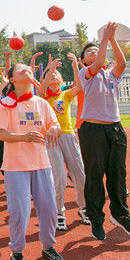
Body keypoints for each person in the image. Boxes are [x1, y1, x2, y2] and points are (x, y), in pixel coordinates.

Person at [0, 63, 65, 260]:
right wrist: (23, 137)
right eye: (20, 69)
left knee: (49, 209)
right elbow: (0, 134)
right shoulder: (6, 104)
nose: (26, 69)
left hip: (41, 164)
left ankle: (48, 246)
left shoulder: (41, 103)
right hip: (16, 167)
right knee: (20, 213)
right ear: (12, 79)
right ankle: (16, 252)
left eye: (28, 67)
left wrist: (53, 130)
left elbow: (55, 125)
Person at [77, 22, 130, 241]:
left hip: (115, 128)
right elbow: (100, 61)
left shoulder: (111, 75)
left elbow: (122, 62)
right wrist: (104, 38)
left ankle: (121, 215)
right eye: (89, 52)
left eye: (96, 49)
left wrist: (113, 39)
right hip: (92, 130)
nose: (94, 52)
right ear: (84, 60)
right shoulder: (86, 73)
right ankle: (96, 219)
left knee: (118, 175)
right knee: (95, 176)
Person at [39, 55, 88, 230]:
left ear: (61, 79)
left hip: (67, 135)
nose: (53, 76)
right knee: (59, 178)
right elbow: (40, 91)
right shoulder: (43, 97)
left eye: (56, 74)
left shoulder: (65, 94)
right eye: (50, 74)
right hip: (51, 139)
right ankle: (59, 211)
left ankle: (83, 206)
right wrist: (50, 69)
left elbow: (79, 86)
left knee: (80, 175)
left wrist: (76, 66)